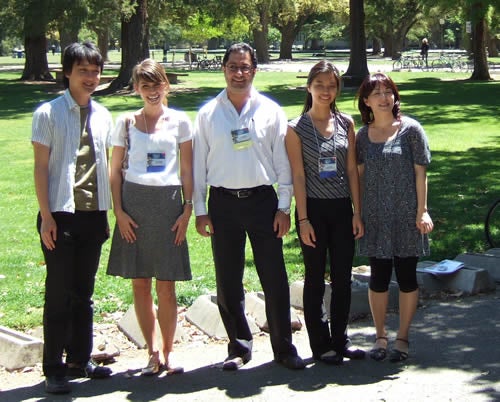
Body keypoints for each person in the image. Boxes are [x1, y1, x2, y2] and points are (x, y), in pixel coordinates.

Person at [192, 42, 305, 371]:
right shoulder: (208, 114)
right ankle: (239, 347)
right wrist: (200, 209)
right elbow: (198, 165)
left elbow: (283, 163)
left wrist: (284, 207)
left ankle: (284, 348)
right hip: (222, 204)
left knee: (274, 277)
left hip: (263, 203)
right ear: (223, 69)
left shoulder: (270, 110)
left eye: (245, 67)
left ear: (254, 70)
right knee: (228, 280)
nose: (239, 73)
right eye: (233, 67)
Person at [32, 41, 113, 394]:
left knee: (84, 292)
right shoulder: (48, 113)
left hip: (93, 215)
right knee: (59, 294)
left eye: (95, 71)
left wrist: (109, 212)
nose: (91, 78)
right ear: (67, 73)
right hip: (60, 215)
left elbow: (106, 166)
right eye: (83, 71)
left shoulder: (104, 115)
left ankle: (80, 359)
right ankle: (54, 368)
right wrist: (47, 217)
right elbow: (40, 168)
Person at [107, 59, 192, 376]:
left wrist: (187, 208)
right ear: (137, 89)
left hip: (168, 206)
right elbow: (114, 172)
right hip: (134, 207)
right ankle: (152, 353)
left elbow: (187, 169)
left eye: (157, 84)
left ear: (165, 85)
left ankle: (169, 353)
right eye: (145, 86)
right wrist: (119, 212)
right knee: (140, 284)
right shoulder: (125, 123)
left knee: (166, 285)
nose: (152, 91)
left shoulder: (180, 122)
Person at [285, 61, 365, 365]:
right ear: (309, 87)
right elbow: (298, 176)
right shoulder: (295, 128)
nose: (325, 91)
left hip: (342, 208)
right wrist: (303, 219)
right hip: (313, 210)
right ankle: (320, 344)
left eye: (331, 85)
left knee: (343, 278)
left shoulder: (346, 123)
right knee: (315, 278)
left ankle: (340, 340)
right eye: (319, 85)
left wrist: (357, 212)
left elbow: (352, 170)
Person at [356, 73, 434, 363]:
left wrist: (422, 210)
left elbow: (420, 174)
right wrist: (357, 214)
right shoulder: (362, 137)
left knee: (406, 277)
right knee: (377, 277)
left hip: (406, 216)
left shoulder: (411, 129)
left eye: (388, 91)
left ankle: (402, 338)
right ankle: (380, 337)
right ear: (366, 101)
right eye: (377, 93)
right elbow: (358, 179)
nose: (384, 98)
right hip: (375, 217)